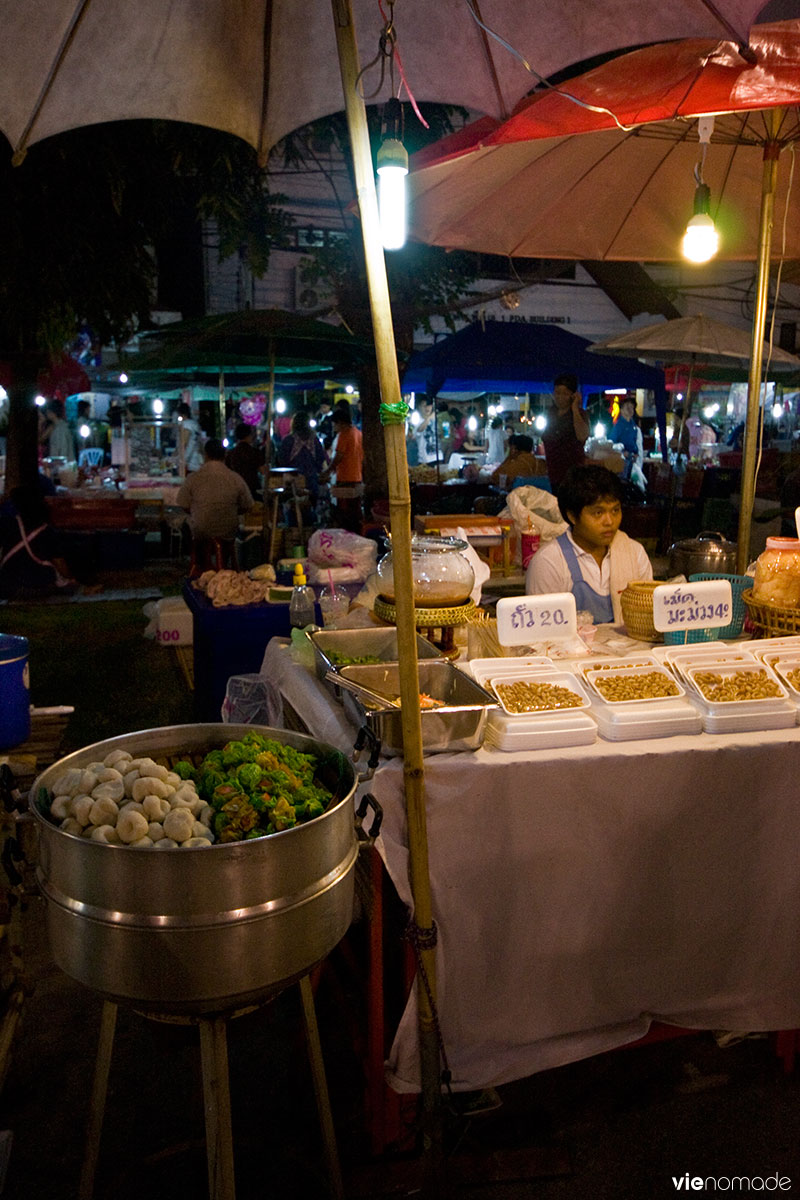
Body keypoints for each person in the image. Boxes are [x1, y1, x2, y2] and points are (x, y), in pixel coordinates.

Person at [525, 464, 652, 624]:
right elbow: (543, 635)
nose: (609, 521)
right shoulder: (549, 562)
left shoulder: (635, 553)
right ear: (572, 516)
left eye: (615, 510)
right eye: (598, 513)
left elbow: (648, 617)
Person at [177, 438, 254, 571]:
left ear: (205, 455)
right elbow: (248, 505)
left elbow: (183, 504)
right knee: (227, 538)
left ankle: (199, 564)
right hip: (228, 531)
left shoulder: (194, 478)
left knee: (185, 526)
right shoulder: (235, 478)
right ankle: (222, 564)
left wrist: (197, 510)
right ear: (225, 455)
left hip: (201, 531)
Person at [0, 484, 77, 599]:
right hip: (40, 585)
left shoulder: (8, 524)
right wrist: (70, 579)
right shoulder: (47, 531)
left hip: (9, 586)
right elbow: (60, 563)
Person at [541, 373, 589, 490]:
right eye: (557, 393)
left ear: (573, 395)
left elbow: (582, 436)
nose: (560, 397)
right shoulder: (551, 413)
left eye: (565, 393)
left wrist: (574, 408)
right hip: (554, 474)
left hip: (572, 476)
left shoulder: (579, 414)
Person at [321, 405, 363, 532]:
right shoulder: (357, 433)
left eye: (334, 425)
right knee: (355, 512)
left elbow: (339, 456)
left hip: (345, 478)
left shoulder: (344, 435)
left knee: (344, 514)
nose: (334, 428)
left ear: (340, 423)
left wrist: (327, 471)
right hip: (357, 478)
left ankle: (347, 537)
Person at [277, 409, 327, 503]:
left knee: (293, 511)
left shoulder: (288, 440)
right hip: (312, 481)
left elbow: (281, 460)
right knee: (310, 511)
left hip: (293, 482)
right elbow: (321, 459)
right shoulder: (315, 440)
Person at [612, 397, 645, 485]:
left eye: (632, 407)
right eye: (627, 407)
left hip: (633, 461)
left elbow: (637, 443)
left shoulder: (634, 426)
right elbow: (611, 444)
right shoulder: (618, 426)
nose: (630, 410)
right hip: (622, 462)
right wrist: (622, 453)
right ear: (621, 410)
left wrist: (636, 454)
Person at [226, 422, 263, 498]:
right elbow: (262, 470)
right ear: (249, 435)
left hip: (236, 488)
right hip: (252, 488)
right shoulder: (254, 452)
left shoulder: (231, 453)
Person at [176, 402, 205, 472]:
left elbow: (184, 443)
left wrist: (178, 458)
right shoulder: (195, 424)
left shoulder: (186, 425)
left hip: (189, 462)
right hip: (197, 460)